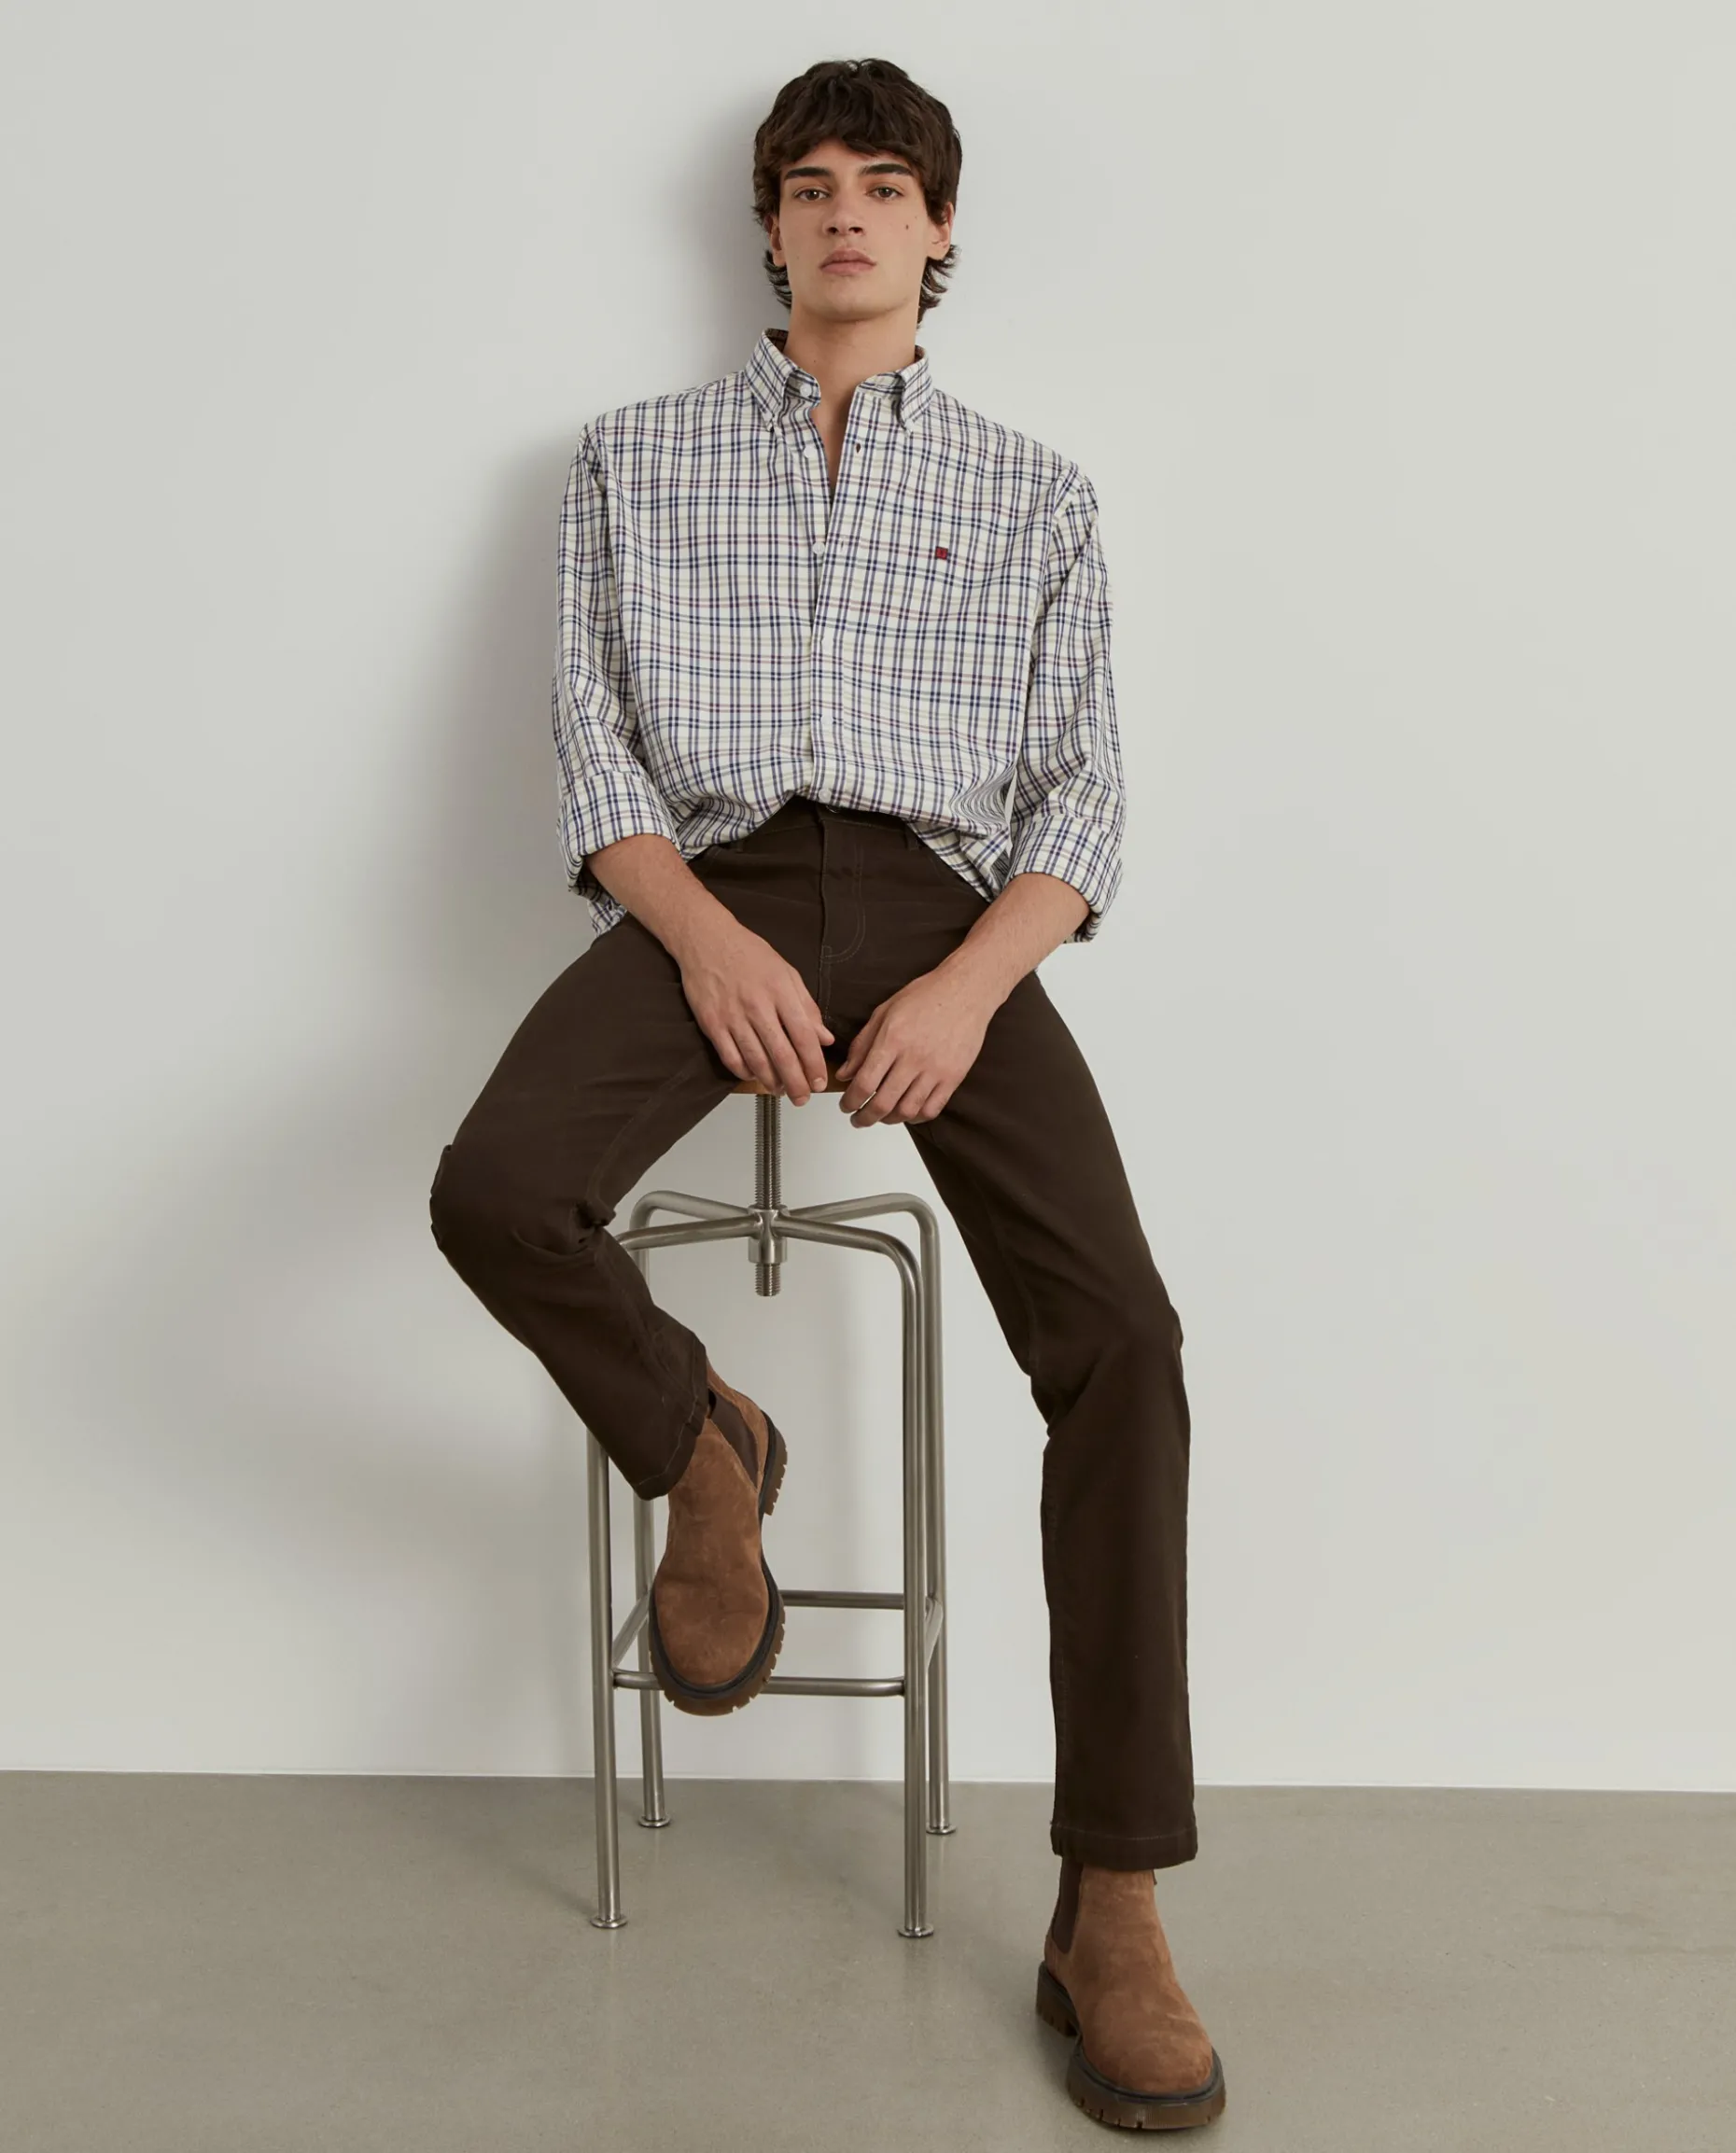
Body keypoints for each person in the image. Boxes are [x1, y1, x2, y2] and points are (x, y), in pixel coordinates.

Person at [428, 54, 1226, 2134]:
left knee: (1126, 1346)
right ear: (769, 228)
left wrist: (966, 987)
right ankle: (705, 1441)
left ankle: (1115, 1899)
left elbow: (1083, 797)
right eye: (810, 185)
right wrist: (704, 939)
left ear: (940, 230)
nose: (847, 212)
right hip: (714, 892)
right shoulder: (631, 460)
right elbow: (593, 748)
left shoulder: (1036, 492)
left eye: (885, 184)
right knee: (495, 1189)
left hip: (951, 913)